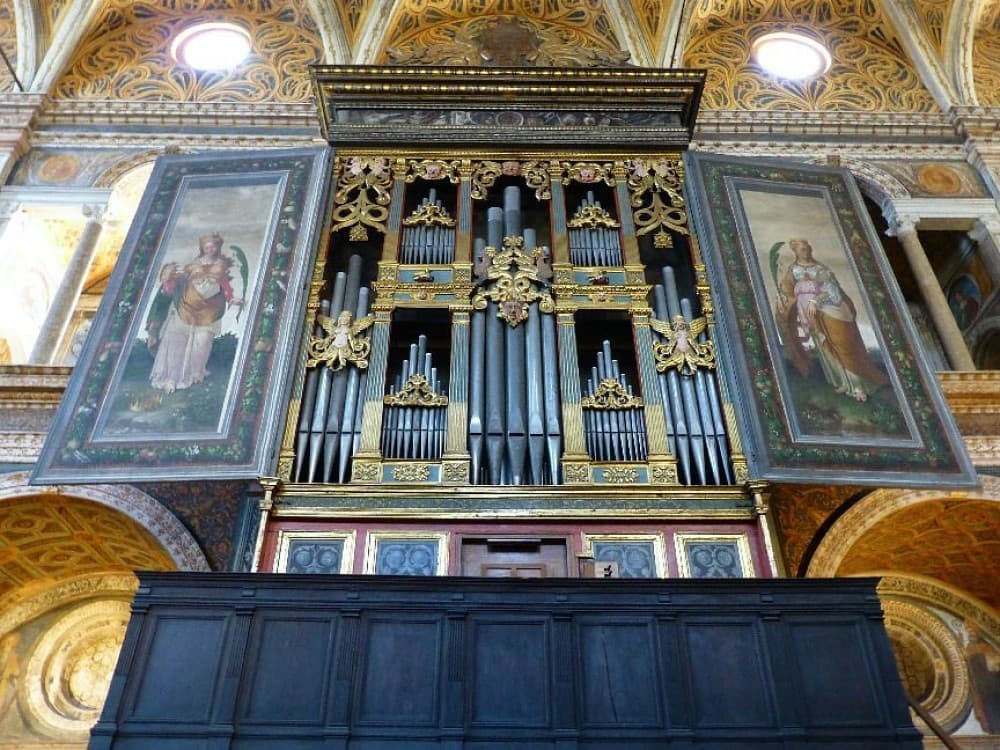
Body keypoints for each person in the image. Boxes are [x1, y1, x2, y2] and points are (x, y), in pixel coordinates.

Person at [775, 238, 887, 401]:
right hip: (809, 313)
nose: (805, 251)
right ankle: (842, 380)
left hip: (830, 310)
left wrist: (815, 301)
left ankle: (857, 386)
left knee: (841, 344)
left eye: (807, 248)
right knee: (823, 345)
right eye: (801, 249)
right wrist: (782, 298)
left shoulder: (820, 269)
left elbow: (832, 290)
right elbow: (786, 290)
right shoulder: (793, 270)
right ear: (795, 252)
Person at [146, 232, 242, 394]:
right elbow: (178, 284)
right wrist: (168, 279)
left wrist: (232, 298)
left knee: (202, 343)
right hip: (185, 308)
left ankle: (194, 372)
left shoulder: (221, 265)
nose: (210, 249)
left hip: (209, 311)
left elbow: (225, 286)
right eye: (207, 246)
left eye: (213, 246)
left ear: (217, 248)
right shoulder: (193, 265)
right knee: (176, 343)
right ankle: (171, 377)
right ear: (203, 248)